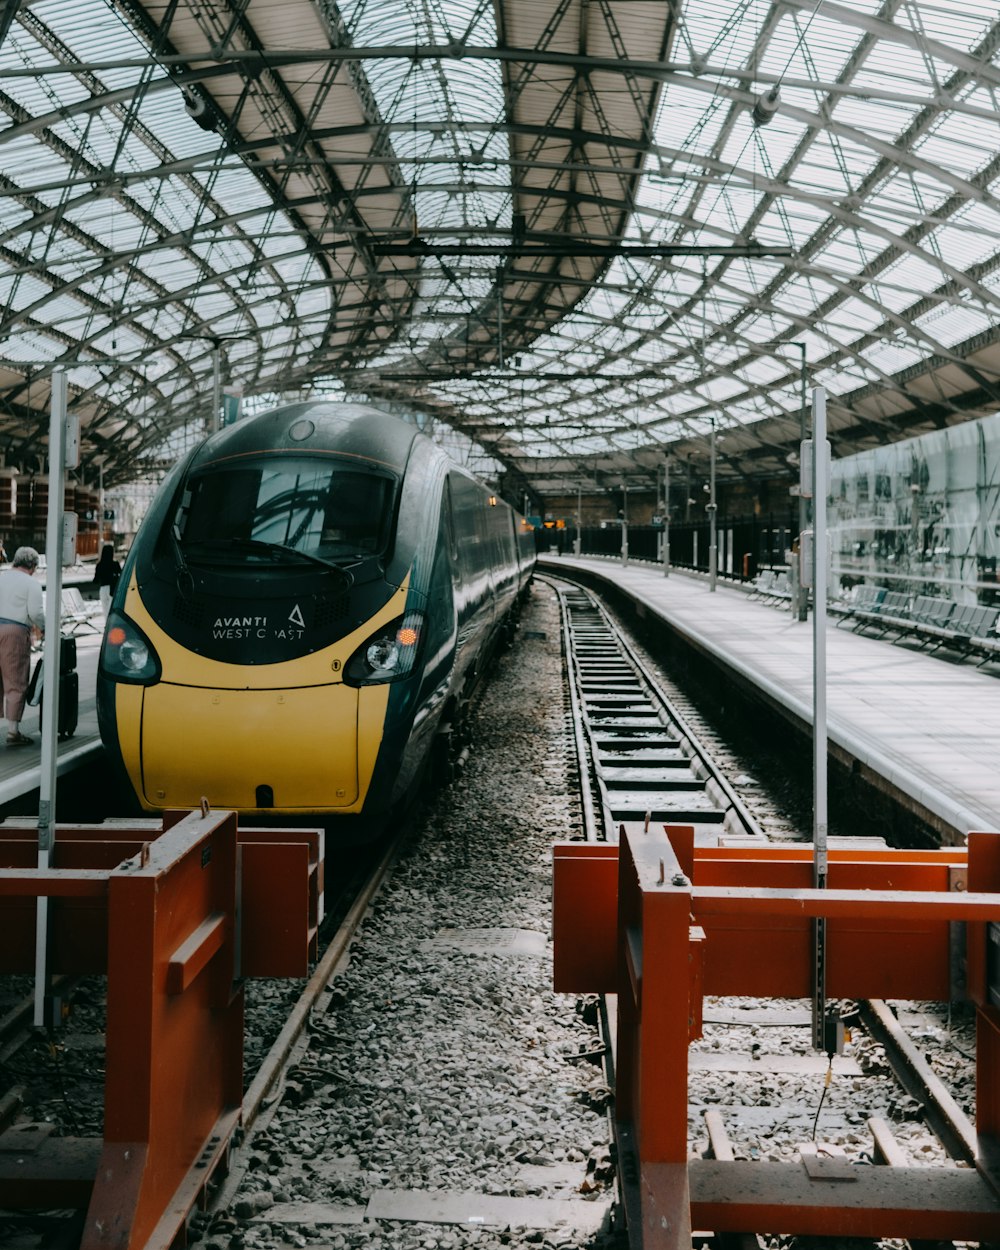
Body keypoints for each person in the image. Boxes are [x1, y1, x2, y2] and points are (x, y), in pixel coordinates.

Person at [0, 546, 45, 746]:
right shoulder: (31, 583)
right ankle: (13, 732)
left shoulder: (1, 577)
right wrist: (46, 628)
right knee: (15, 680)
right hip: (15, 632)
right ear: (33, 566)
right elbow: (35, 613)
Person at [93, 543, 121, 617]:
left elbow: (95, 580)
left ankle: (106, 626)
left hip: (103, 589)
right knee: (111, 610)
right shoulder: (115, 564)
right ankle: (109, 626)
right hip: (112, 588)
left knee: (105, 611)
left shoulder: (99, 565)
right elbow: (120, 575)